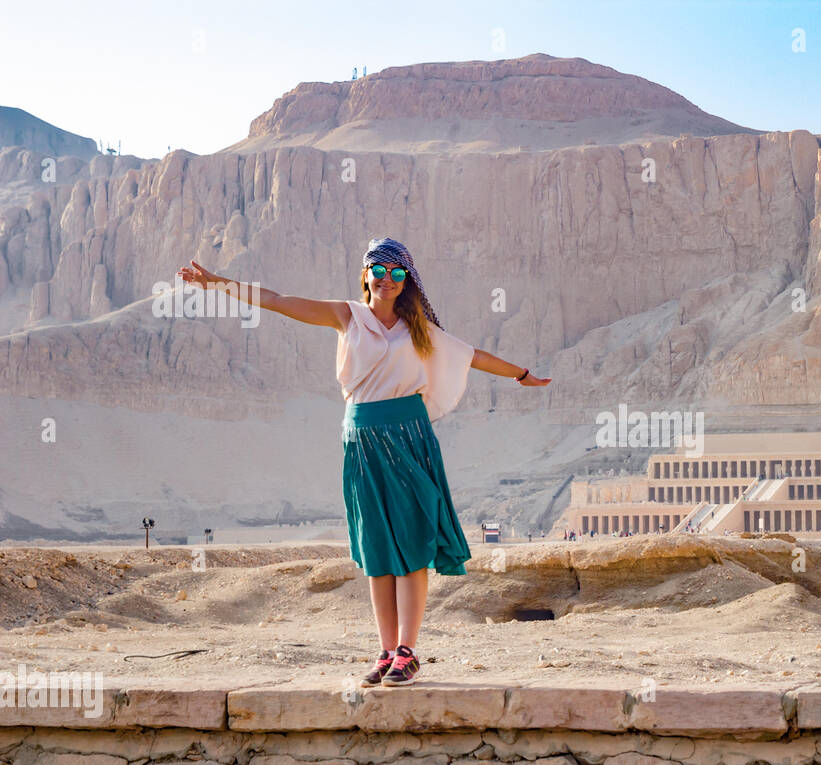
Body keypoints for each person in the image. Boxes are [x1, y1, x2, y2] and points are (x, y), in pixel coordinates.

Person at [177, 238, 550, 688]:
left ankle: (408, 652)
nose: (388, 279)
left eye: (398, 273)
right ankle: (386, 650)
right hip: (361, 438)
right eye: (380, 269)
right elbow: (277, 301)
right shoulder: (345, 316)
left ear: (407, 280)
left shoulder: (420, 330)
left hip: (409, 436)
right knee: (377, 550)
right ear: (366, 273)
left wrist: (521, 374)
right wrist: (218, 283)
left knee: (411, 543)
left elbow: (471, 356)